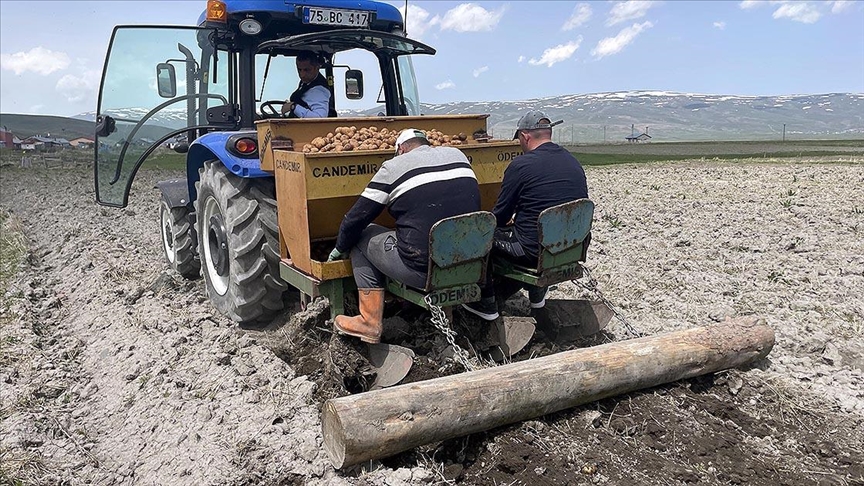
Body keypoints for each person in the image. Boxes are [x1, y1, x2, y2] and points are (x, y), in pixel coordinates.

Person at [328, 128, 482, 343]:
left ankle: (369, 322)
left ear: (401, 149)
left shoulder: (393, 167)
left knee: (362, 235)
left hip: (422, 270)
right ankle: (445, 314)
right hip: (470, 262)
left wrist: (340, 246)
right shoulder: (458, 155)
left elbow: (356, 218)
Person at [462, 110, 589, 321]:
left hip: (533, 250)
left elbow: (499, 217)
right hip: (572, 245)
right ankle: (537, 299)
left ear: (525, 136)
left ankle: (486, 305)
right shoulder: (573, 161)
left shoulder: (521, 166)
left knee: (481, 239)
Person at [281, 51, 336, 118]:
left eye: (307, 70)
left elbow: (319, 118)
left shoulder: (319, 90)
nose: (302, 75)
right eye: (299, 70)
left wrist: (293, 107)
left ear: (317, 68)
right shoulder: (306, 83)